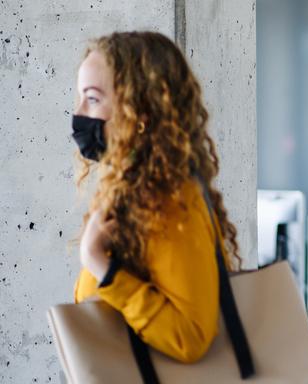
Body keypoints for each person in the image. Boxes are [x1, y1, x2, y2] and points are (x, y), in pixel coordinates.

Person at [71, 31, 239, 363]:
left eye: (92, 98)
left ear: (141, 110)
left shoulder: (171, 201)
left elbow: (190, 338)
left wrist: (99, 262)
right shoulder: (130, 190)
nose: (79, 113)